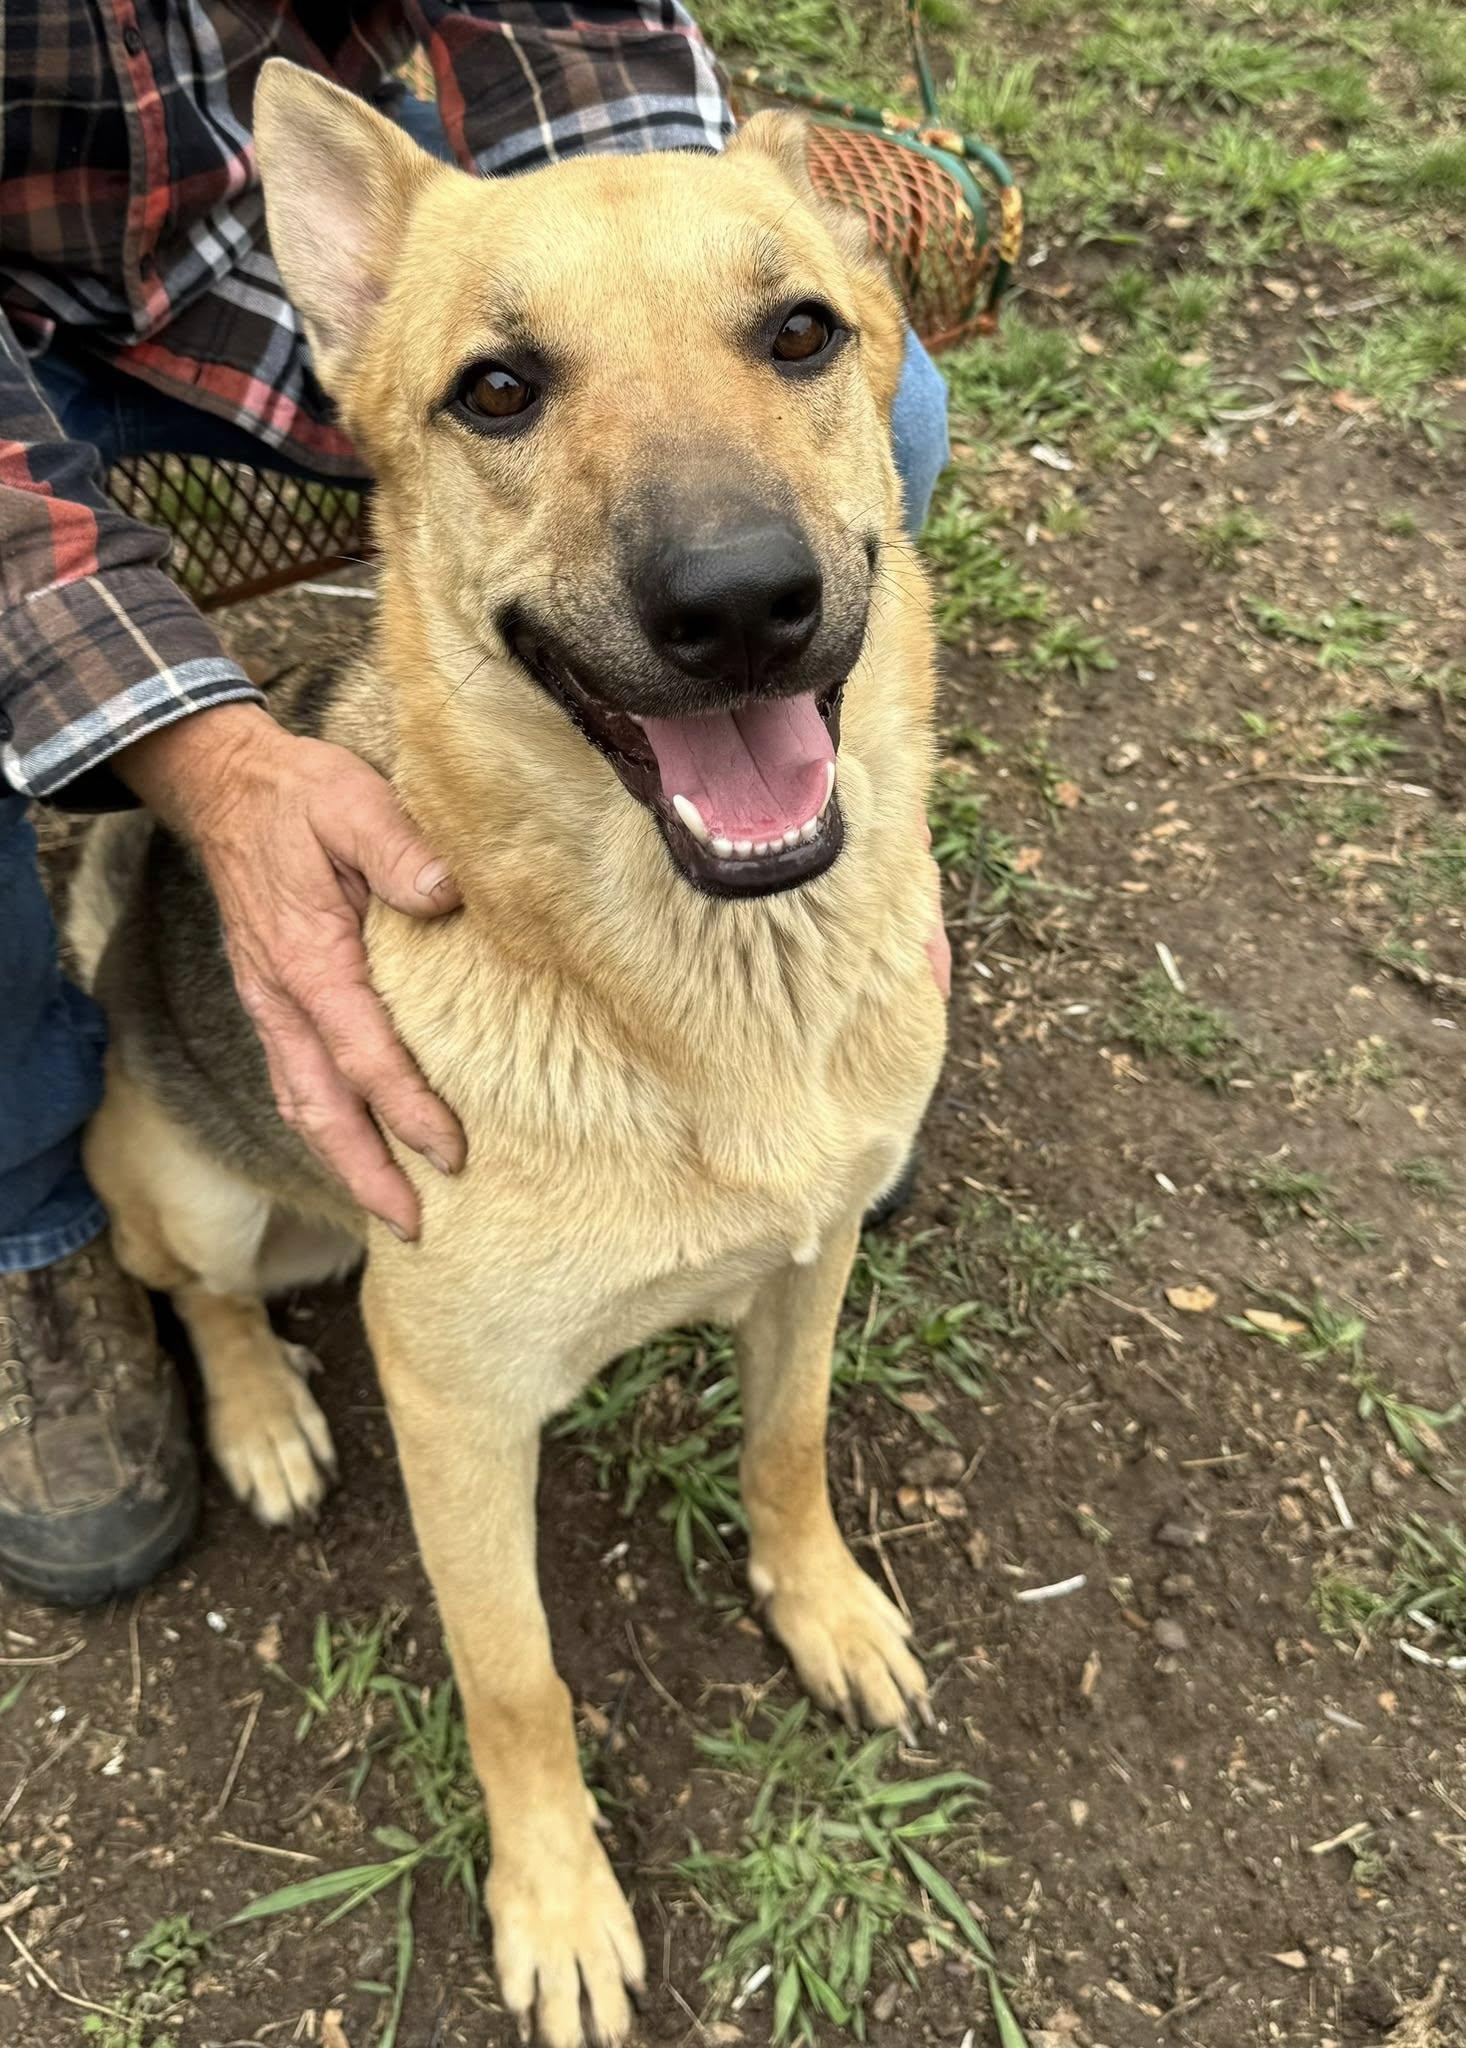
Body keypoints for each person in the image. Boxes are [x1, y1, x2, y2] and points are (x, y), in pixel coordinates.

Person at [0, 3, 951, 1607]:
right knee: (218, 1229)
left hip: (238, 259)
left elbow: (573, 44)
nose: (725, 576)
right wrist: (204, 764)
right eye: (507, 390)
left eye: (793, 338)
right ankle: (50, 1233)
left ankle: (796, 1119)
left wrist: (601, 250)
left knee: (894, 418)